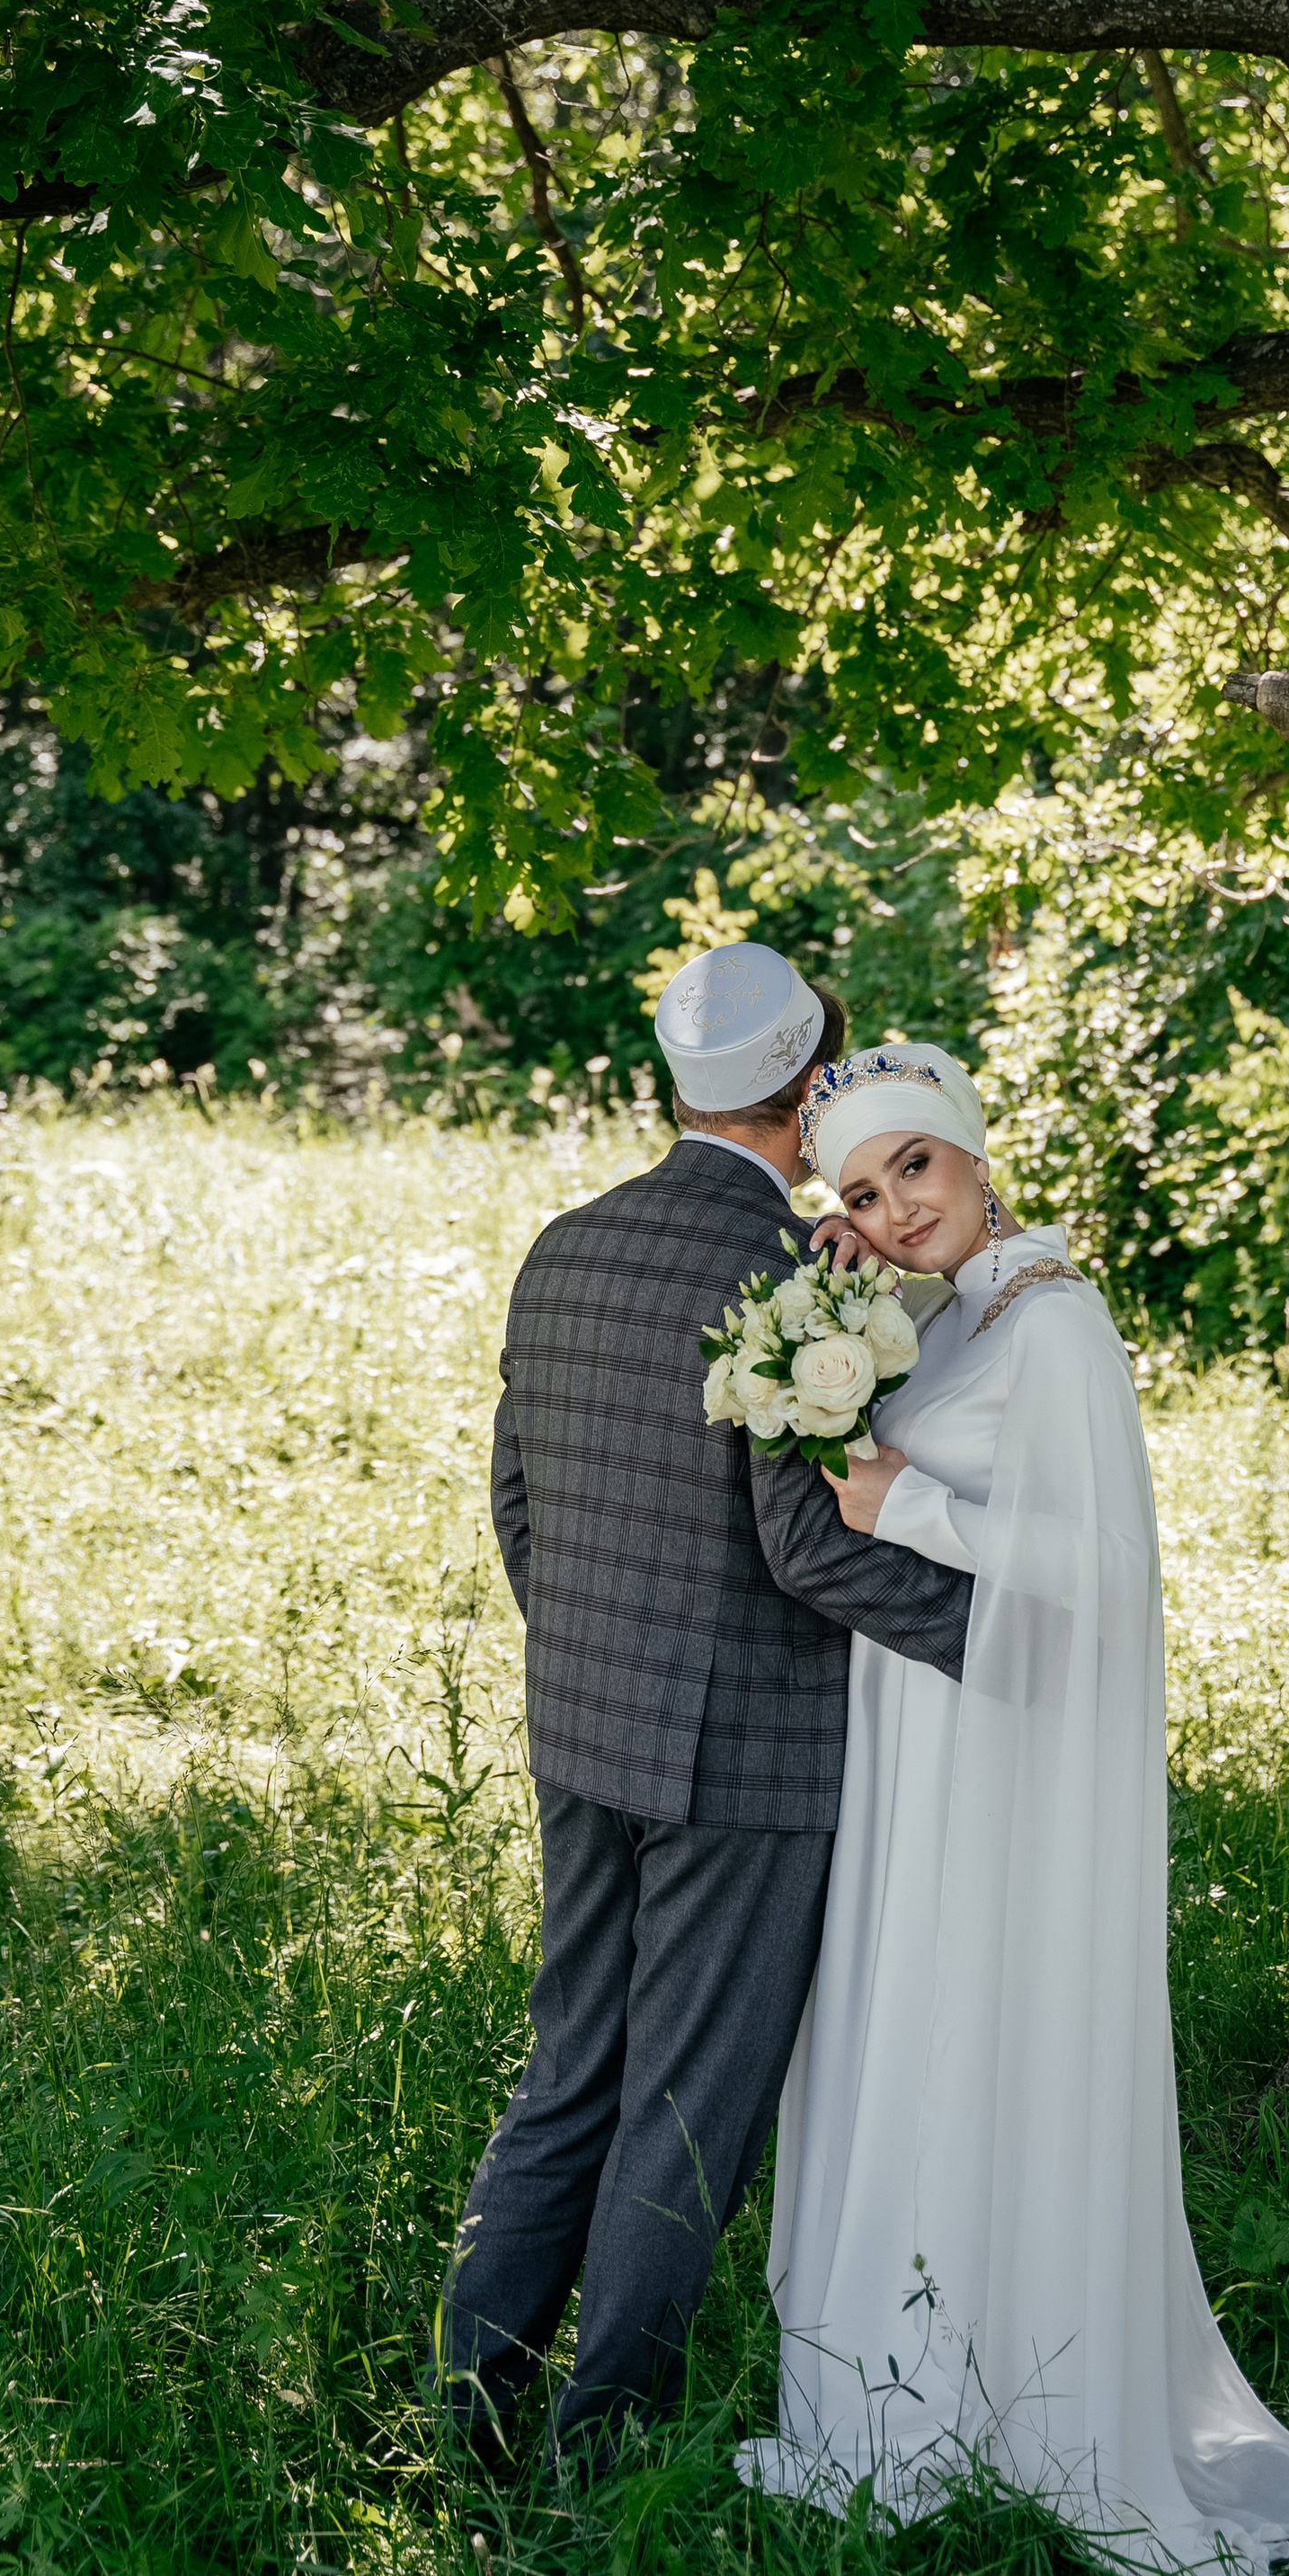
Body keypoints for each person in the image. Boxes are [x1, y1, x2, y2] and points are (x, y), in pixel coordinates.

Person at [736, 1040, 1289, 2576]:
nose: (898, 1206)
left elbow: (1106, 1570)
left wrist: (904, 1499)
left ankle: (1022, 2391)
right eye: (861, 1187)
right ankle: (914, 2378)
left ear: (979, 1158)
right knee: (914, 2018)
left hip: (1001, 1753)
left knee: (981, 2021)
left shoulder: (1058, 1325)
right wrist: (854, 1319)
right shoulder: (957, 1313)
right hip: (923, 1729)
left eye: (917, 1165)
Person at [434, 948, 977, 2462]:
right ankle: (599, 2444)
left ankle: (466, 2410)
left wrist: (596, 1655)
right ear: (811, 1094)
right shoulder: (791, 1282)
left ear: (683, 1086)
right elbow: (804, 1550)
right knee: (687, 2109)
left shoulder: (565, 1247)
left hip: (583, 1725)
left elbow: (518, 1499)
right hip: (748, 1755)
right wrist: (999, 1630)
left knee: (571, 2070)